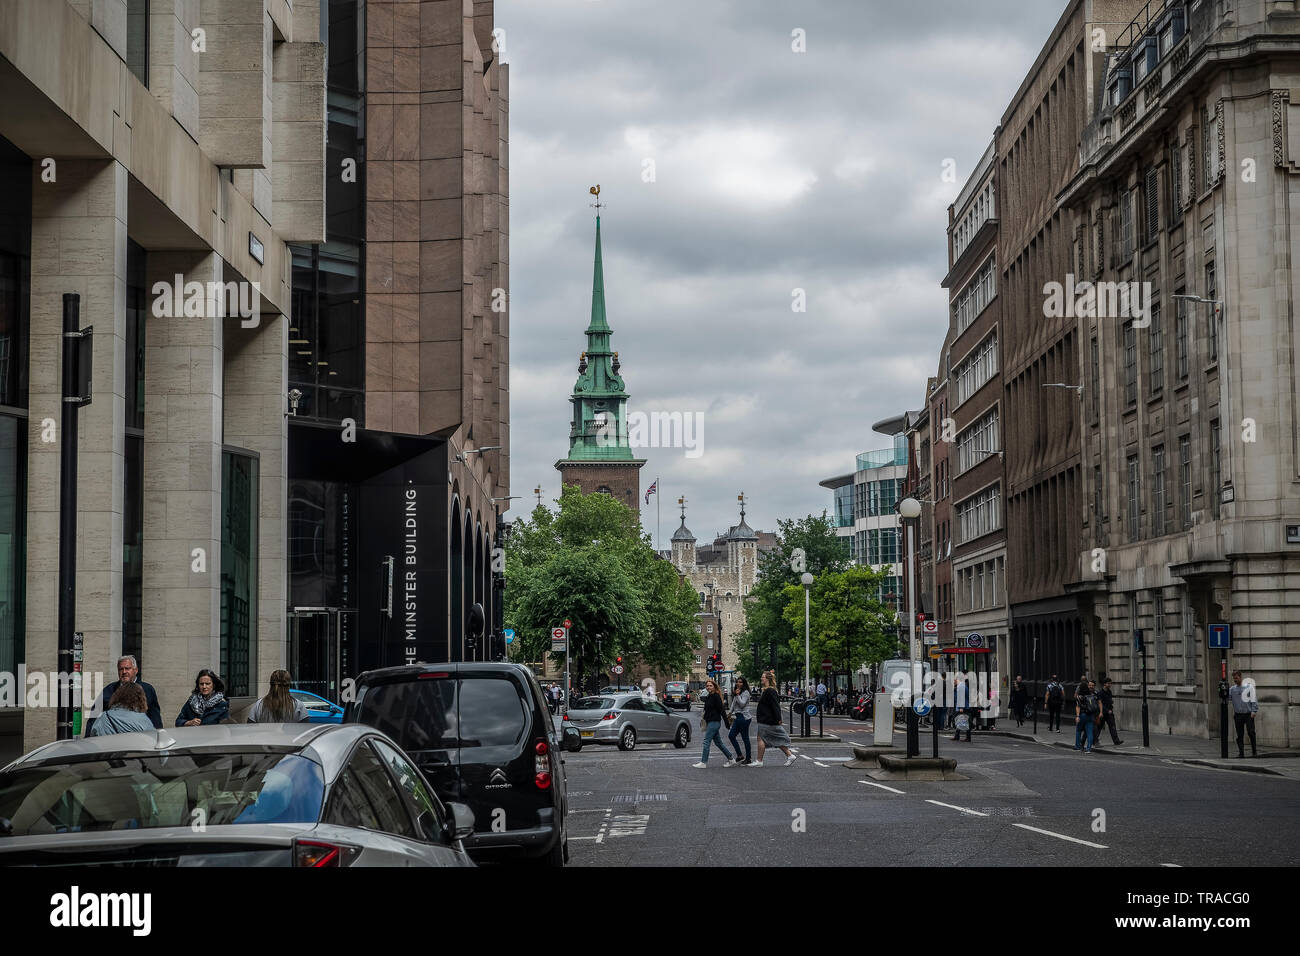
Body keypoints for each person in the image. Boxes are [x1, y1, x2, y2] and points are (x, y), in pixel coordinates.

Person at [84, 655, 162, 735]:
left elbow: (155, 718)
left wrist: (158, 738)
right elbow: (94, 715)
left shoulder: (147, 689)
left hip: (140, 738)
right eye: (121, 669)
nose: (124, 672)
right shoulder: (109, 689)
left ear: (136, 670)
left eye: (127, 668)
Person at [752, 671, 797, 767]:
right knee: (773, 739)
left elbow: (776, 706)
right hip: (766, 719)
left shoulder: (770, 691)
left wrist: (778, 719)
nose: (761, 679)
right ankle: (789, 755)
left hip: (767, 719)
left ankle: (759, 761)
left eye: (763, 677)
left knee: (761, 738)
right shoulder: (767, 690)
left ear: (767, 679)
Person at [692, 678, 736, 768]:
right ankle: (731, 759)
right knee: (718, 743)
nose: (708, 687)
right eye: (707, 686)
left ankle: (703, 762)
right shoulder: (709, 696)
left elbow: (722, 710)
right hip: (710, 722)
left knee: (706, 741)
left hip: (714, 722)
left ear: (714, 687)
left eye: (710, 686)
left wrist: (727, 723)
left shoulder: (716, 696)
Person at [87, 682, 155, 736]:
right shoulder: (143, 721)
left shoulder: (103, 718)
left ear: (116, 696)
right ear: (140, 699)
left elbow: (93, 738)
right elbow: (152, 742)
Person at [1228, 670, 1258, 758]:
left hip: (1248, 714)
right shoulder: (1232, 689)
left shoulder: (1249, 687)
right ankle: (1241, 753)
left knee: (1251, 732)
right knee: (1239, 734)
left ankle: (1254, 751)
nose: (1235, 680)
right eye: (1234, 678)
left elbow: (1254, 699)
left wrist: (1254, 711)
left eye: (1236, 678)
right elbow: (1227, 698)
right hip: (1238, 715)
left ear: (1241, 677)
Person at [727, 676, 753, 764]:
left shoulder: (746, 693)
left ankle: (748, 758)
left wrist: (737, 695)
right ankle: (740, 755)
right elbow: (734, 703)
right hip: (738, 717)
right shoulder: (737, 692)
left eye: (741, 682)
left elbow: (742, 704)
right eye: (737, 682)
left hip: (744, 717)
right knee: (731, 736)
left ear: (744, 683)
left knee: (745, 738)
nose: (738, 683)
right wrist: (730, 713)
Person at [1094, 677, 1123, 747]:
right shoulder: (1100, 693)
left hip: (1109, 713)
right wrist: (1107, 710)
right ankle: (1095, 740)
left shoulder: (1109, 691)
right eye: (1108, 683)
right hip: (1103, 713)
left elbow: (1109, 700)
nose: (1110, 685)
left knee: (1112, 726)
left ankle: (1116, 741)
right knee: (1099, 727)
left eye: (1110, 683)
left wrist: (1111, 703)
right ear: (1104, 684)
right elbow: (1100, 704)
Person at [1074, 678, 1099, 753]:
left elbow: (1078, 706)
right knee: (1089, 732)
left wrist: (1077, 716)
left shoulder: (1079, 697)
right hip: (1091, 715)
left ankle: (1078, 746)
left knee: (1078, 730)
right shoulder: (1092, 695)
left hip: (1082, 715)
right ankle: (1088, 749)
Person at [951, 675, 972, 742]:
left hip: (963, 707)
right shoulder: (961, 686)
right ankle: (957, 736)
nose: (953, 681)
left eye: (954, 680)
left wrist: (961, 707)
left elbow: (961, 697)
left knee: (959, 720)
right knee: (960, 720)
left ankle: (967, 737)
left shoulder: (961, 686)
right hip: (963, 706)